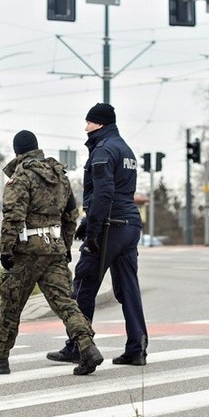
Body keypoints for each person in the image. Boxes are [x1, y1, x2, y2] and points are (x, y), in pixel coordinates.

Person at [0, 130, 103, 376]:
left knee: (11, 304)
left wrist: (6, 250)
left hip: (26, 252)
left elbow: (13, 215)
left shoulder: (21, 176)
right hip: (54, 250)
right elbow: (71, 215)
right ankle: (87, 347)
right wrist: (64, 246)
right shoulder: (59, 176)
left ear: (17, 152)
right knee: (65, 303)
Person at [47, 103, 148, 367]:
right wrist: (87, 221)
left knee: (84, 283)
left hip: (110, 225)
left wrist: (93, 230)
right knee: (128, 289)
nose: (85, 128)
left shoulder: (103, 150)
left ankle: (78, 346)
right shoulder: (125, 149)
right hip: (129, 224)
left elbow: (103, 193)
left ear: (100, 124)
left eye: (89, 122)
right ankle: (137, 348)